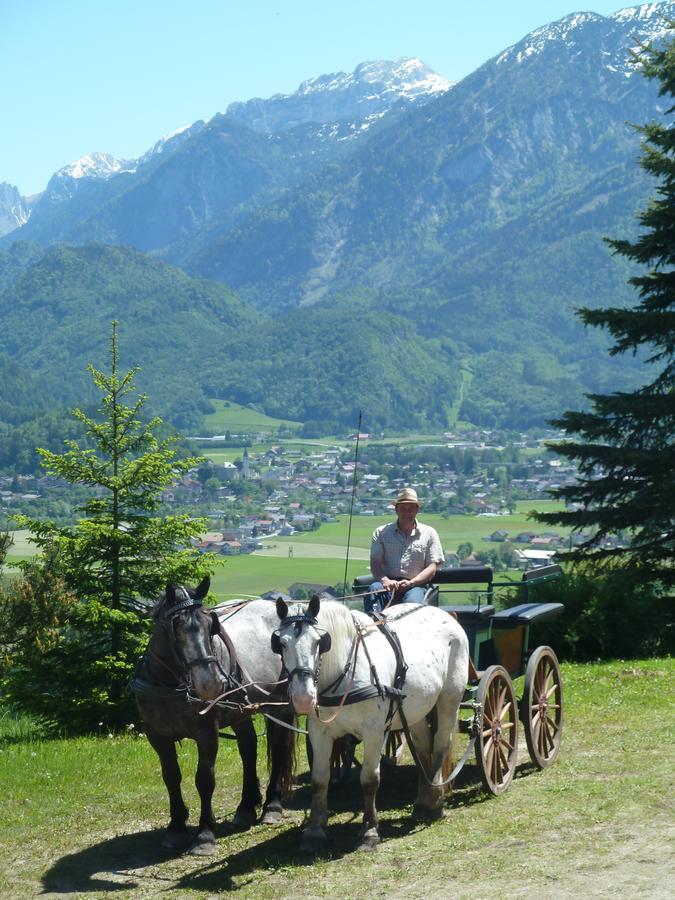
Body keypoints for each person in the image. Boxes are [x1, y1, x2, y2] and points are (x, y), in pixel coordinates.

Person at [364, 487, 445, 615]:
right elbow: (375, 562)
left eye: (411, 508)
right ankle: (374, 627)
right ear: (396, 509)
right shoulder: (381, 533)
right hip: (387, 585)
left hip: (416, 586)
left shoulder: (429, 533)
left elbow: (432, 567)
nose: (407, 512)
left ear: (417, 509)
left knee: (412, 604)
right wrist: (385, 581)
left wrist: (411, 583)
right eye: (403, 508)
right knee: (374, 590)